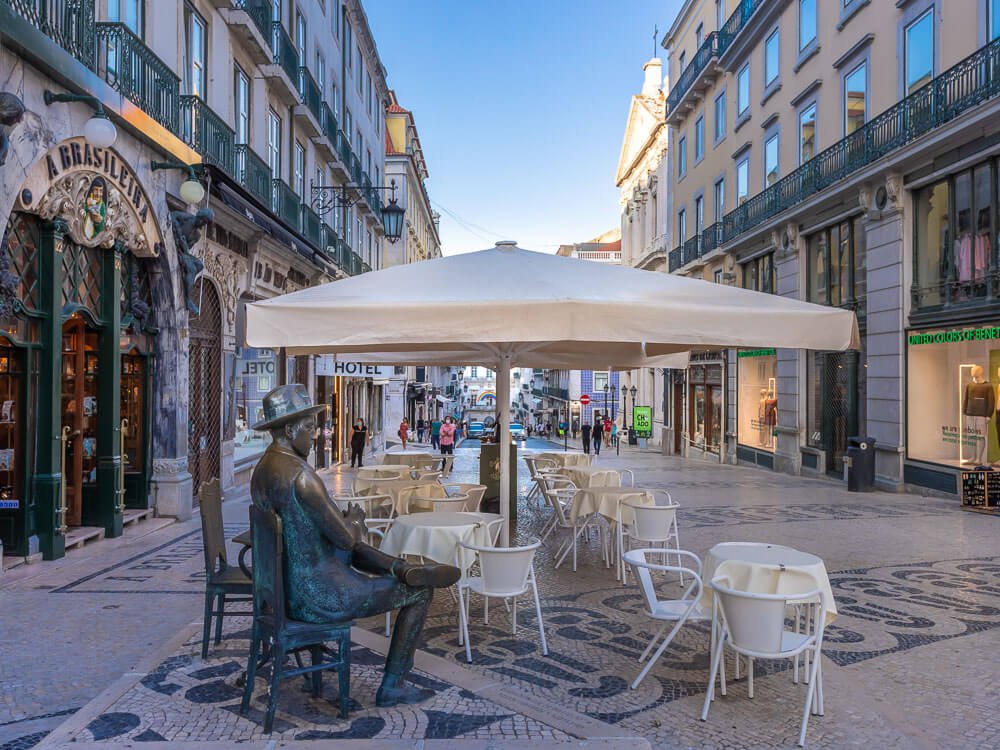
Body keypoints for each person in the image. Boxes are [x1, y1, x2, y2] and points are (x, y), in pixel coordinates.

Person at [250, 385, 460, 707]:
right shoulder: (301, 477)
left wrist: (344, 525)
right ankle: (393, 684)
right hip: (320, 595)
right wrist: (354, 521)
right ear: (290, 429)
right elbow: (347, 539)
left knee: (354, 552)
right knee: (418, 592)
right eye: (309, 427)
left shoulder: (262, 470)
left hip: (283, 591)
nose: (316, 435)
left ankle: (402, 568)